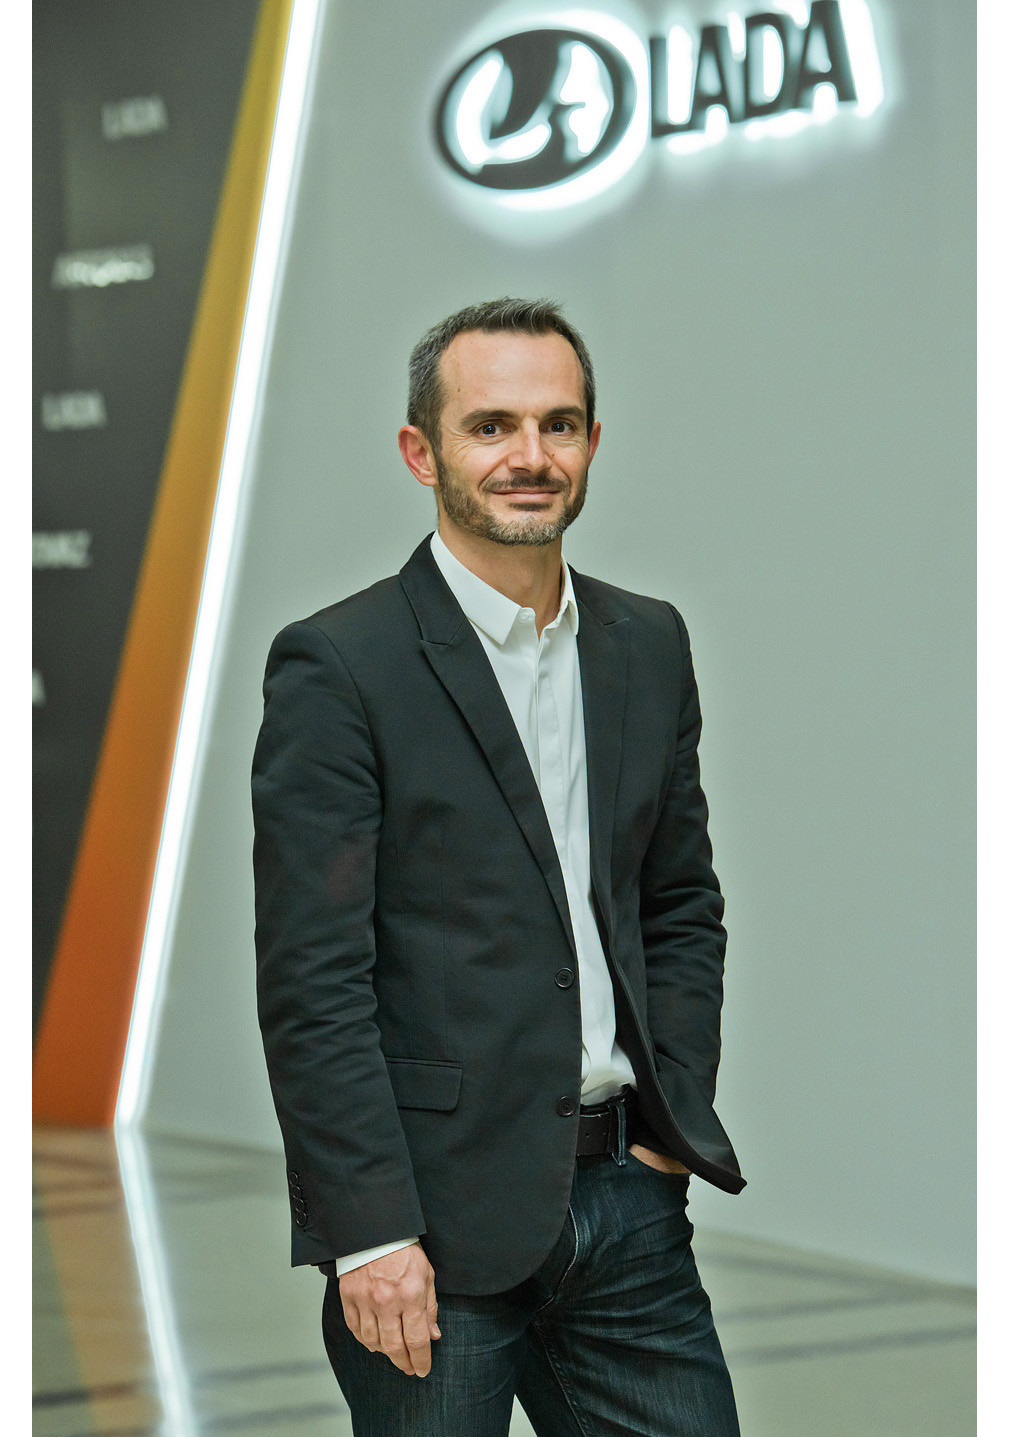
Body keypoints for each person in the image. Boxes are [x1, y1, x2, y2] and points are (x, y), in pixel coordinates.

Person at [252, 297, 745, 1436]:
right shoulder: (340, 664)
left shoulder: (648, 642)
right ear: (420, 451)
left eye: (557, 424)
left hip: (628, 1201)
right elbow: (312, 977)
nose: (530, 455)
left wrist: (670, 1123)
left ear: (592, 442)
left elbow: (679, 902)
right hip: (428, 1229)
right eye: (491, 426)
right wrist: (368, 1231)